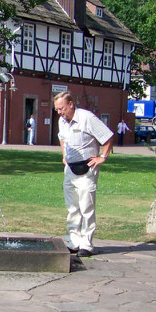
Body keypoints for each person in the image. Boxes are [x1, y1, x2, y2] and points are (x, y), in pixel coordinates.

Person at [53, 91, 113, 257]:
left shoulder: (87, 118)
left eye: (62, 108)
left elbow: (107, 136)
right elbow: (62, 138)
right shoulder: (62, 121)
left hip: (87, 167)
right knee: (72, 207)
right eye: (57, 109)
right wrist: (64, 155)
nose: (59, 112)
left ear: (71, 104)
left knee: (86, 206)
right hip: (70, 168)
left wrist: (102, 157)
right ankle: (73, 242)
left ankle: (86, 244)